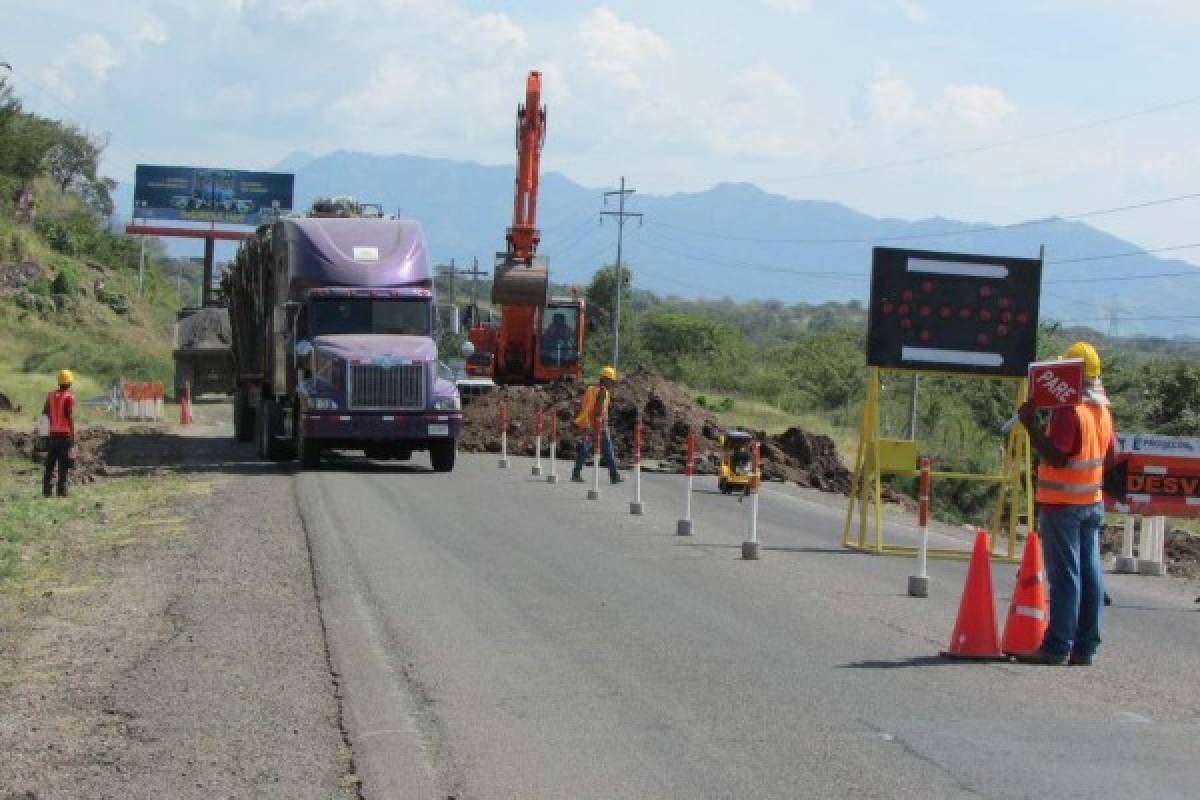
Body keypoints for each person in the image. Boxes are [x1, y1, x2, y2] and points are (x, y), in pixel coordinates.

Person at [1015, 341, 1115, 666]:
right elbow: (1110, 456)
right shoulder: (1101, 411)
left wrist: (1031, 425)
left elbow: (1057, 457)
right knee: (1090, 573)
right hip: (1091, 501)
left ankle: (1057, 645)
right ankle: (1084, 648)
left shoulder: (1068, 411)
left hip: (1062, 503)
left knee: (1065, 576)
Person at [571, 366, 622, 485]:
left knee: (586, 448)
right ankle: (614, 476)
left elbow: (585, 406)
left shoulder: (591, 389)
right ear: (605, 379)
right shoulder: (603, 391)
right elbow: (598, 409)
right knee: (608, 451)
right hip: (599, 426)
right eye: (612, 381)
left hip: (590, 424)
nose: (613, 384)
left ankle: (576, 473)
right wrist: (598, 424)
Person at [42, 369, 77, 498]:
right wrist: (73, 437)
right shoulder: (69, 397)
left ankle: (46, 492)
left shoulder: (50, 396)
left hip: (52, 436)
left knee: (49, 465)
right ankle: (62, 493)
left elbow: (44, 414)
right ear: (69, 383)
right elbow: (69, 417)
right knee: (63, 466)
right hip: (64, 437)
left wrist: (44, 434)